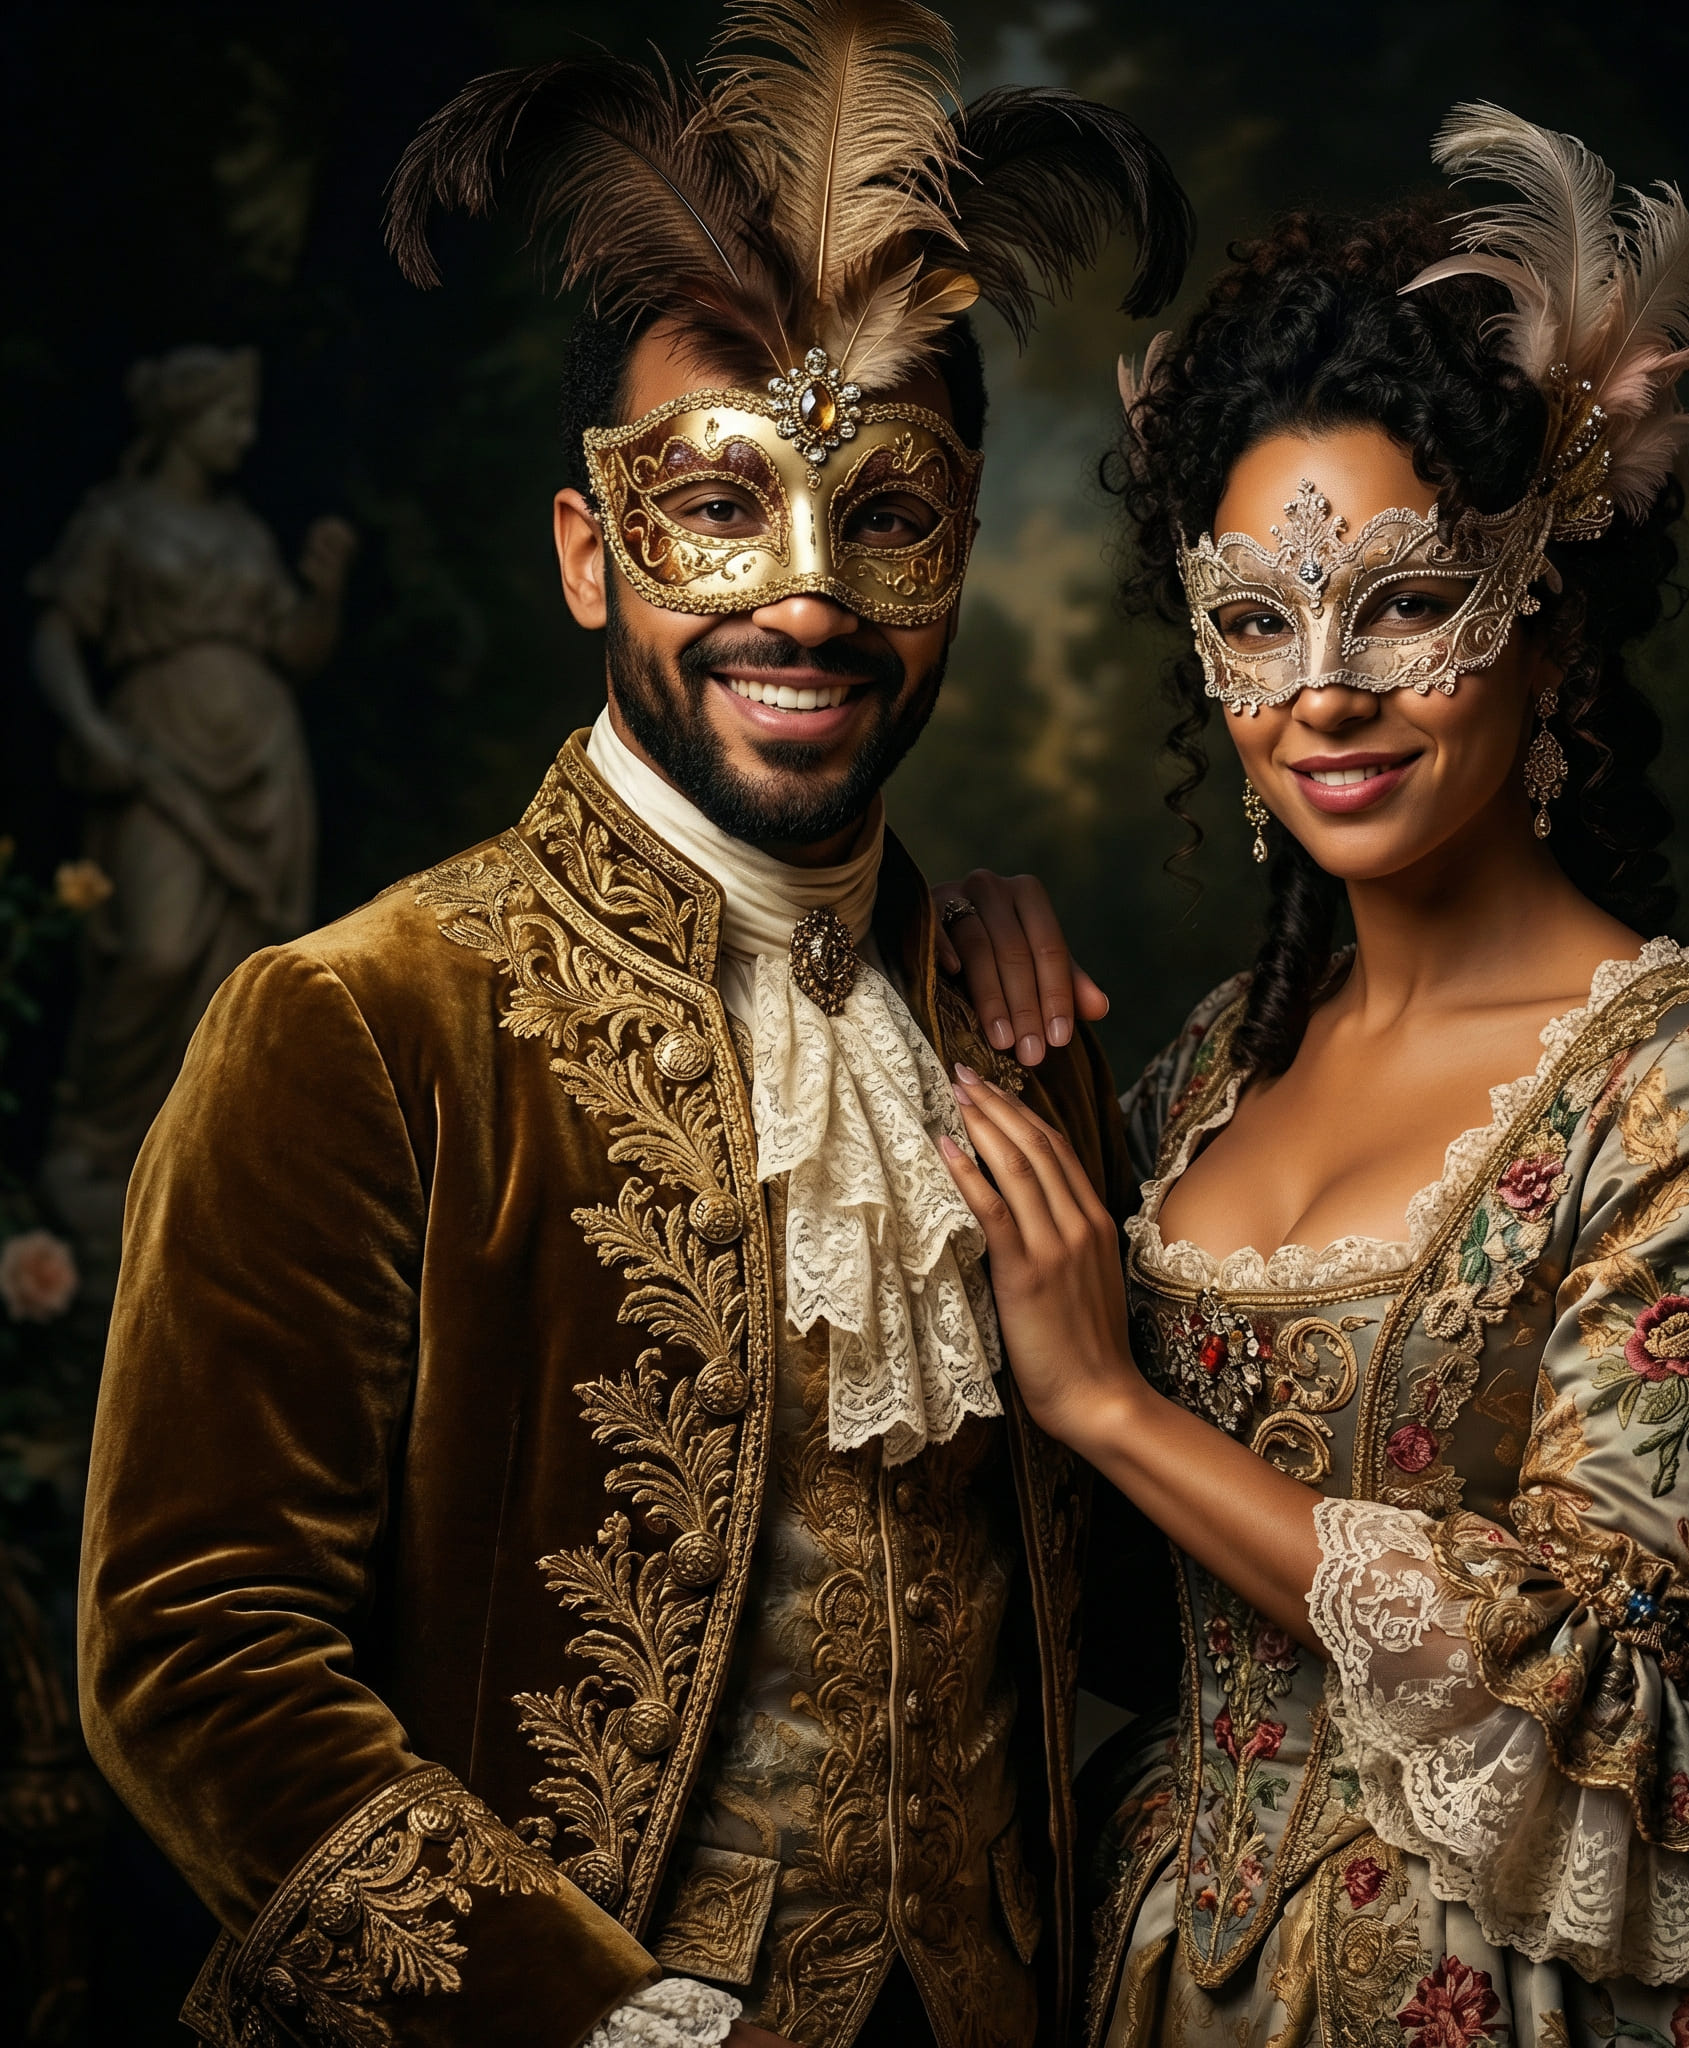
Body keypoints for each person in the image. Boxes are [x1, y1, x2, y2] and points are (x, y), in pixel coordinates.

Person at [76, 8, 1189, 2047]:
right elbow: (195, 1643)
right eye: (712, 505)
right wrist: (568, 2020)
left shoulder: (1014, 1023)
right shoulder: (354, 1024)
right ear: (589, 550)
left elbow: (1118, 1606)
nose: (807, 597)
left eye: (888, 513)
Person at [938, 108, 1689, 2048]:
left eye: (1403, 598)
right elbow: (1103, 1605)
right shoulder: (1207, 1061)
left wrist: (1106, 1397)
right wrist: (972, 1009)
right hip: (1166, 1957)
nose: (1324, 695)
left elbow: (1590, 1646)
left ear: (1548, 610)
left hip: (1552, 1966)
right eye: (1255, 623)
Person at [30, 344, 354, 1295]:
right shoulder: (117, 523)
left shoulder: (247, 534)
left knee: (245, 965)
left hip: (261, 763)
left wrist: (323, 588)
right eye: (227, 418)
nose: (243, 436)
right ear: (180, 420)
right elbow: (56, 630)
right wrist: (93, 731)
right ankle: (95, 1141)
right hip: (159, 752)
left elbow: (293, 649)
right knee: (157, 947)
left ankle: (210, 1146)